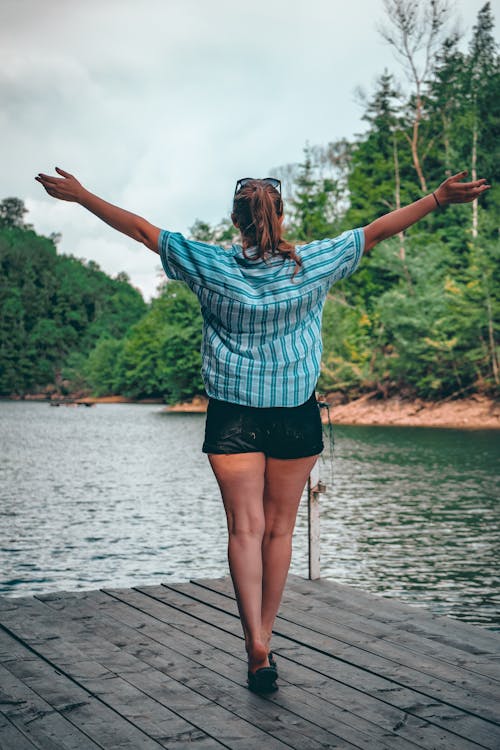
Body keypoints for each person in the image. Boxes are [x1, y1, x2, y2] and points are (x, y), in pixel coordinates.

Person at [36, 166, 490, 693]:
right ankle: (267, 637)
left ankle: (254, 642)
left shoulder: (209, 263)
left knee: (244, 530)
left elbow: (140, 230)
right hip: (294, 410)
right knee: (278, 531)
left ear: (237, 221)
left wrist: (81, 196)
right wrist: (436, 197)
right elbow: (379, 229)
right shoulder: (314, 262)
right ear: (280, 217)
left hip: (233, 413)